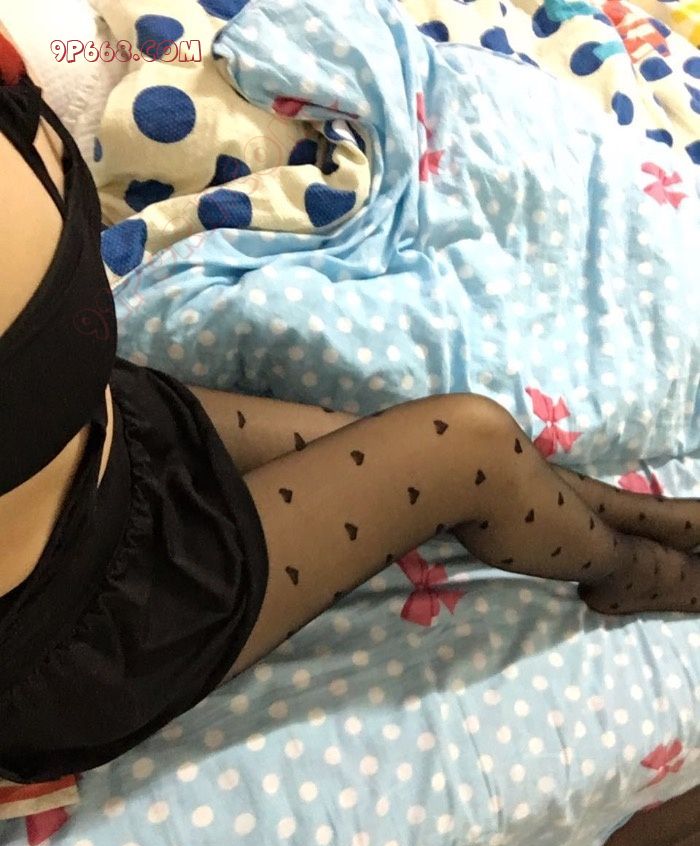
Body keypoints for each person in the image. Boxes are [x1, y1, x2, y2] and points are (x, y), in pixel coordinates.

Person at [0, 30, 698, 784]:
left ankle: (633, 513)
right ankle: (630, 568)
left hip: (120, 430)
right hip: (94, 613)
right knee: (472, 445)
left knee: (389, 444)